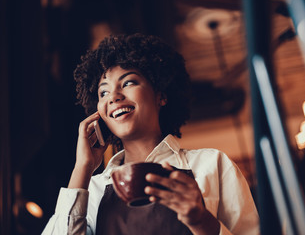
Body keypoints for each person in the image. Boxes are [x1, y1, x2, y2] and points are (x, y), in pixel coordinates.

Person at [42, 33, 259, 235]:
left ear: (161, 95)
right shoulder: (92, 189)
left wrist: (201, 221)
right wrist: (82, 167)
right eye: (103, 92)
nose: (114, 96)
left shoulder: (212, 164)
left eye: (128, 82)